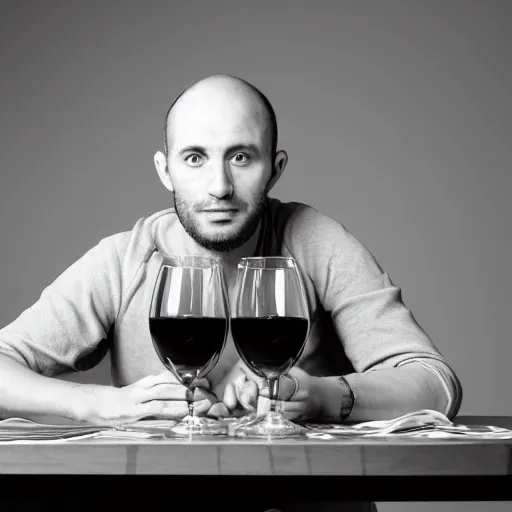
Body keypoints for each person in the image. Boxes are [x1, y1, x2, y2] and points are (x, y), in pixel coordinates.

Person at [0, 75, 462, 511]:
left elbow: (435, 384)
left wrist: (319, 395)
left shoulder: (314, 240)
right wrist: (96, 405)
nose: (219, 186)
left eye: (241, 157)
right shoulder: (124, 259)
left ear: (275, 169)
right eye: (195, 158)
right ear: (166, 171)